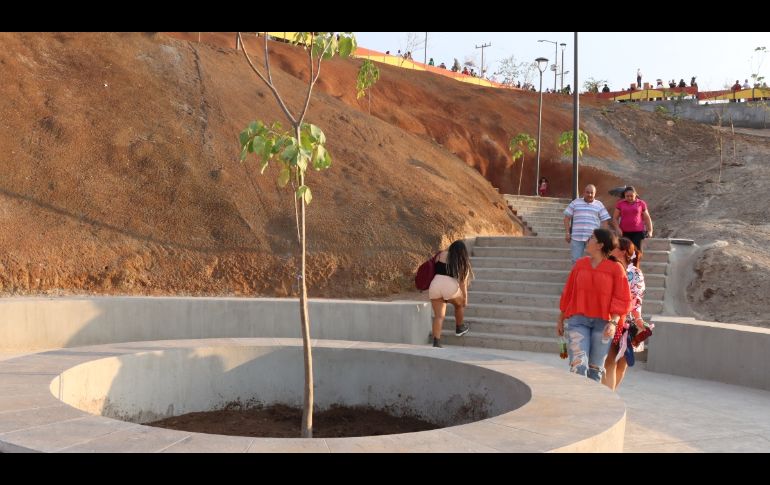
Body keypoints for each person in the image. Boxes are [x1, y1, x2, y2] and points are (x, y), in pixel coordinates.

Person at [557, 229, 632, 383]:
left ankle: (591, 405)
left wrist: (613, 322)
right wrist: (560, 319)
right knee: (578, 365)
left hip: (603, 324)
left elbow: (622, 298)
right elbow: (568, 292)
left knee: (595, 369)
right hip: (578, 321)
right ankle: (578, 403)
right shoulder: (580, 264)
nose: (588, 239)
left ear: (600, 245)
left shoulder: (616, 269)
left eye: (592, 238)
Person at [602, 237, 646, 391]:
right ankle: (611, 395)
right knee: (614, 362)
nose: (610, 248)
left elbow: (637, 298)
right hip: (617, 318)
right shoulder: (612, 267)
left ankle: (609, 396)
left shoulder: (633, 272)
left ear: (622, 251)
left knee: (617, 363)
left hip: (623, 321)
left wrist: (637, 318)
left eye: (614, 247)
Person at [428, 240, 473, 348]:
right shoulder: (461, 260)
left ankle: (436, 342)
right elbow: (462, 283)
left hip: (435, 284)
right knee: (459, 304)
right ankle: (459, 327)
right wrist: (465, 298)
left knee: (439, 316)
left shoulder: (441, 254)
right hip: (450, 286)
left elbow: (433, 268)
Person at [564, 184, 616, 264]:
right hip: (577, 237)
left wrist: (603, 236)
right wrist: (567, 233)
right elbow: (566, 217)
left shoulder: (599, 205)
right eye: (587, 192)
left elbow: (605, 220)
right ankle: (577, 276)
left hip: (593, 238)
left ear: (595, 193)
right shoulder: (575, 203)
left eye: (592, 193)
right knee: (576, 260)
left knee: (593, 260)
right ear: (584, 192)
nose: (590, 195)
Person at [613, 186, 653, 251]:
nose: (629, 198)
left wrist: (650, 231)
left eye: (631, 196)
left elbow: (647, 218)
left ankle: (635, 261)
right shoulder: (620, 204)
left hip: (638, 232)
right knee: (625, 252)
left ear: (635, 195)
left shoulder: (641, 203)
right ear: (624, 195)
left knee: (636, 251)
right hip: (624, 232)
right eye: (627, 196)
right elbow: (615, 218)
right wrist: (617, 229)